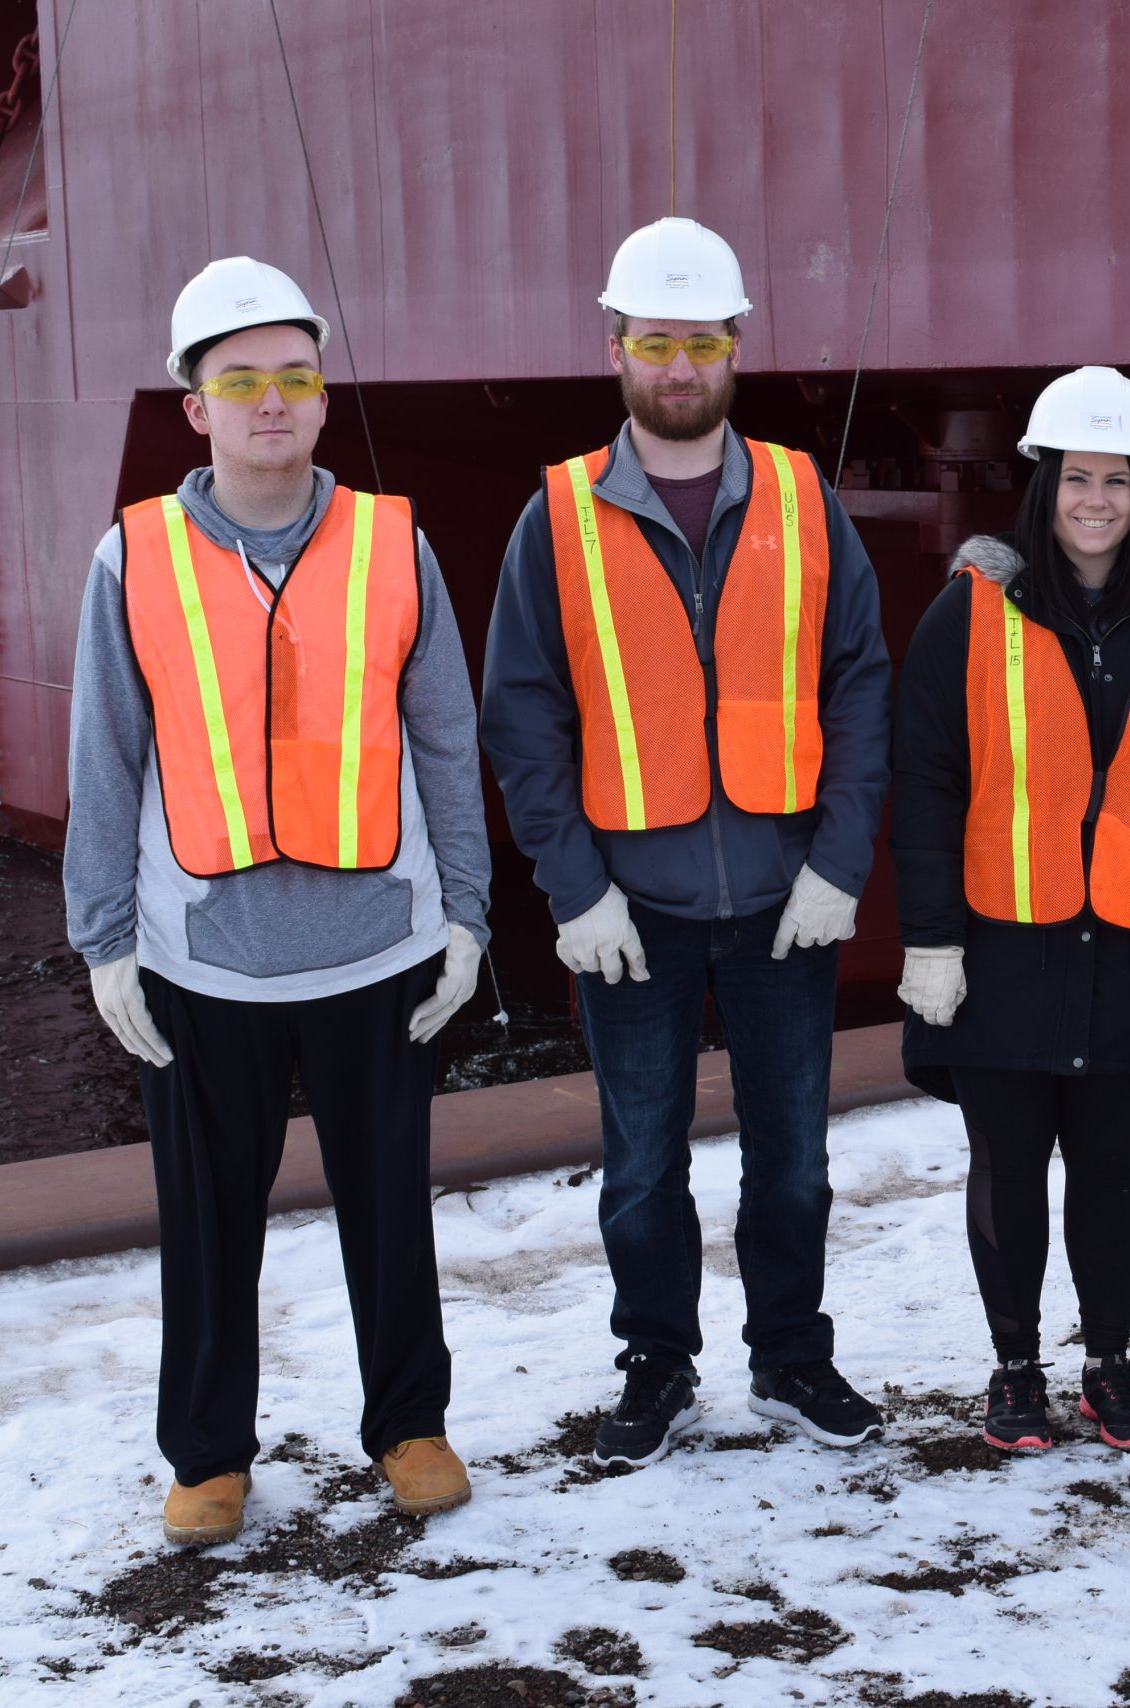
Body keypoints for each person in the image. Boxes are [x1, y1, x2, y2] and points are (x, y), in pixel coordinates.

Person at [65, 257, 492, 1545]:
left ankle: (409, 1425)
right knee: (205, 1227)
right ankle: (207, 1454)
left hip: (379, 949)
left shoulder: (390, 542)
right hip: (206, 958)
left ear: (320, 398)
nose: (271, 403)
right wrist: (104, 942)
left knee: (389, 1208)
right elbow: (106, 755)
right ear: (194, 404)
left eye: (293, 378)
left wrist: (466, 917)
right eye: (240, 380)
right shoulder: (130, 556)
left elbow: (444, 742)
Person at [479, 218, 893, 1463]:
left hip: (783, 901)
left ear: (735, 348)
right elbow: (522, 714)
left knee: (794, 1163)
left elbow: (862, 684)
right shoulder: (555, 516)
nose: (678, 366)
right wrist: (574, 888)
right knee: (641, 1164)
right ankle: (656, 1365)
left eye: (700, 342)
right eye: (654, 341)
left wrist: (838, 861)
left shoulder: (804, 501)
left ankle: (792, 1360)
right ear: (615, 347)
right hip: (634, 909)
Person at [889, 367, 1130, 1454]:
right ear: (1042, 486)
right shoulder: (969, 615)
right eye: (1075, 478)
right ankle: (1015, 1371)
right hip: (1000, 950)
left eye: (1117, 480)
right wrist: (930, 937)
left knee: (1109, 1166)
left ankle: (1107, 1366)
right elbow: (924, 783)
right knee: (1005, 1163)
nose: (1095, 500)